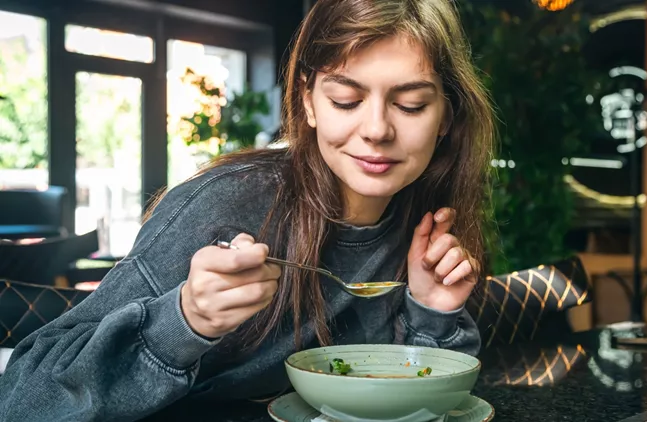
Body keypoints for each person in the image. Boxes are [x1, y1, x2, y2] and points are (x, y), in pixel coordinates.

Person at [0, 0, 495, 420]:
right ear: (308, 101)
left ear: (446, 116)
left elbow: (426, 404)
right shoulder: (228, 204)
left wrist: (431, 311)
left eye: (410, 105)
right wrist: (185, 319)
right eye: (346, 99)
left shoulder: (426, 220)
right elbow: (23, 396)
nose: (377, 129)